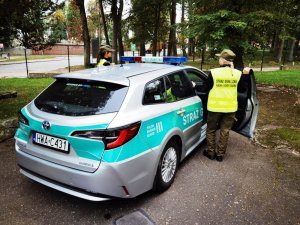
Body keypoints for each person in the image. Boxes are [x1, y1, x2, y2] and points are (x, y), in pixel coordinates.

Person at [202, 49, 250, 162]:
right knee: (225, 131)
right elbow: (243, 89)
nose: (219, 59)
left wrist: (193, 85)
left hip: (215, 107)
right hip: (230, 108)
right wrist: (246, 75)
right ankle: (220, 155)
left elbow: (204, 89)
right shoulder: (238, 74)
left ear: (223, 60)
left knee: (211, 130)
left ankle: (210, 152)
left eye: (220, 58)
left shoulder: (214, 72)